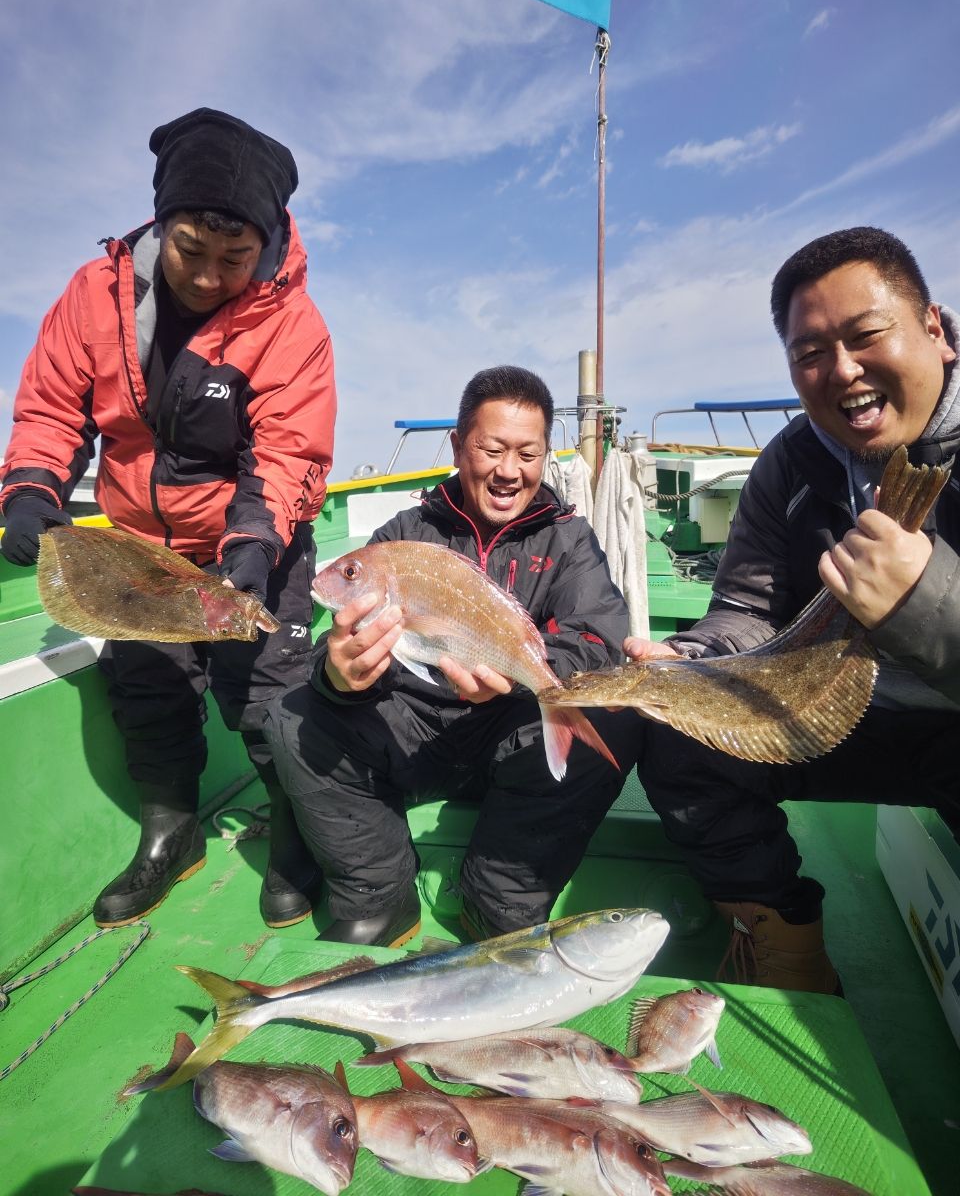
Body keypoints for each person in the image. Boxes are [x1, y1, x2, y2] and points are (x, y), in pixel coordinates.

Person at [0, 107, 336, 930]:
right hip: (140, 550)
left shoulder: (291, 324)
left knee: (269, 694)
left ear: (266, 244)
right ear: (161, 223)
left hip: (250, 542)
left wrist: (252, 547)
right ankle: (171, 833)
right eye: (191, 250)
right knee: (148, 690)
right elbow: (51, 408)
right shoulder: (94, 294)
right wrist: (32, 489)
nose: (210, 277)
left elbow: (287, 452)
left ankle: (293, 835)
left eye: (235, 258)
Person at [628, 226, 960, 993]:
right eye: (810, 353)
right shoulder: (792, 460)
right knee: (681, 739)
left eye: (866, 335)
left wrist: (925, 601)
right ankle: (786, 943)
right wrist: (697, 660)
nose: (842, 369)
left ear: (935, 329)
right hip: (840, 715)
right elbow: (748, 607)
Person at [265, 364, 635, 947]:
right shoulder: (404, 535)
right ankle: (378, 898)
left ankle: (499, 903)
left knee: (616, 715)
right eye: (492, 449)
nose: (509, 471)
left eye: (529, 454)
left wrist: (521, 676)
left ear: (545, 457)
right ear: (460, 447)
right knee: (292, 712)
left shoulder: (569, 540)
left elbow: (600, 638)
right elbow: (337, 649)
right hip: (414, 732)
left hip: (512, 735)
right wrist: (338, 673)